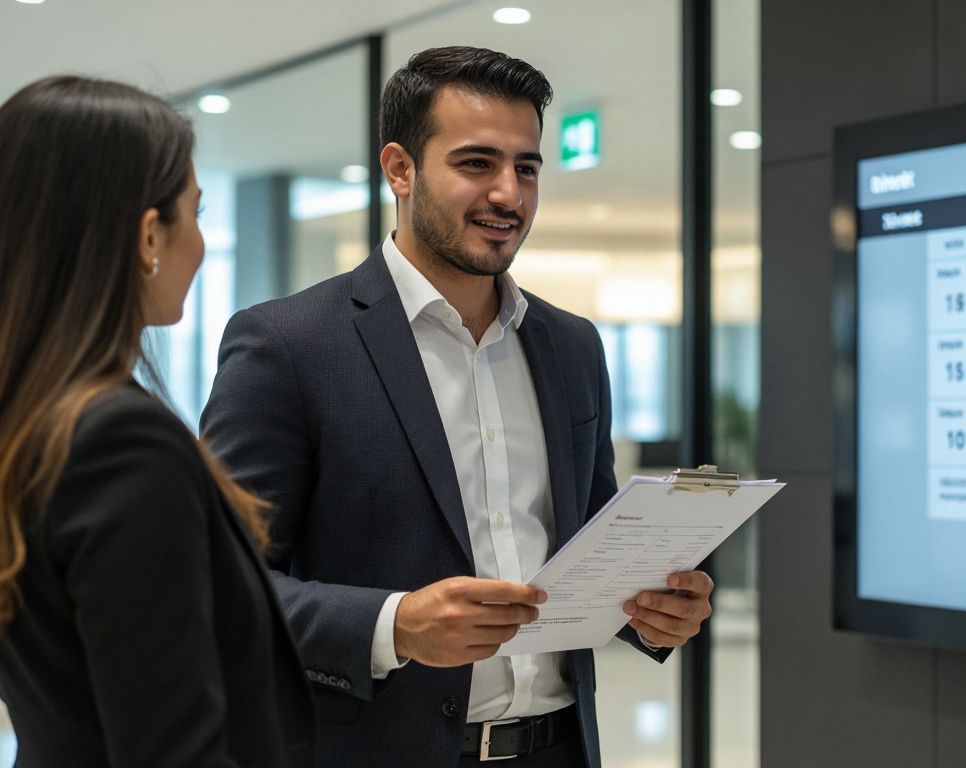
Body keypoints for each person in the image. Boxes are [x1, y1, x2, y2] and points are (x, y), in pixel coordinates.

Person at [201, 46, 714, 768]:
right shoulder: (288, 345)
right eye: (477, 163)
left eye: (527, 168)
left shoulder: (571, 347)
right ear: (400, 169)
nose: (509, 193)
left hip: (559, 749)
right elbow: (216, 587)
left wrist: (654, 611)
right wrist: (393, 626)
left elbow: (593, 539)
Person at [0, 76, 315, 767]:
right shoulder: (120, 442)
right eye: (194, 214)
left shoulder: (30, 424)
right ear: (149, 233)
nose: (200, 244)